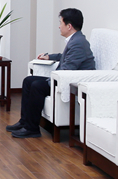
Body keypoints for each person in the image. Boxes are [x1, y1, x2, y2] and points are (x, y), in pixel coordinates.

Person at [9, 8, 96, 138]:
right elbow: (65, 57)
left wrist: (50, 80)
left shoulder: (78, 43)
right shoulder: (76, 39)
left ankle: (32, 128)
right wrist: (49, 57)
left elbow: (68, 69)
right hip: (64, 78)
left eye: (61, 23)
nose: (59, 26)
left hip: (72, 82)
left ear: (69, 26)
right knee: (28, 81)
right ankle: (24, 122)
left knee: (37, 86)